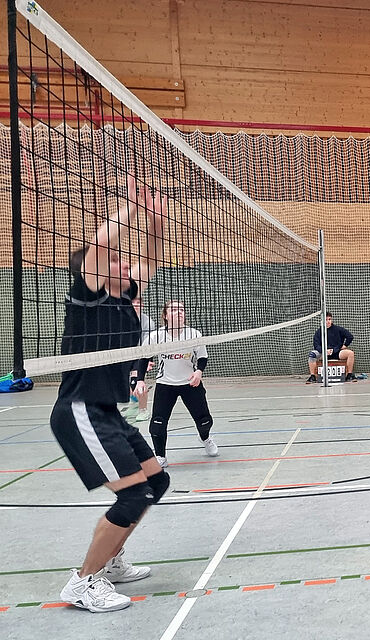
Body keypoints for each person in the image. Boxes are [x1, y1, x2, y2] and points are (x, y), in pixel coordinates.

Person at [51, 176, 168, 612]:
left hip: (107, 411)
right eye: (116, 260)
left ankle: (111, 560)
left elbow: (151, 259)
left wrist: (155, 223)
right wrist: (130, 206)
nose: (124, 264)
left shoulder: (126, 299)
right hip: (79, 410)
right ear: (95, 271)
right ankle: (83, 581)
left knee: (156, 482)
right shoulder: (88, 299)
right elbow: (100, 246)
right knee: (133, 495)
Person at [137, 300, 218, 468]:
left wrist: (198, 372)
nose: (179, 312)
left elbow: (202, 357)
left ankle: (205, 438)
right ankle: (160, 456)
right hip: (165, 384)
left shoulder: (194, 334)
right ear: (165, 315)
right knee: (157, 424)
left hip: (190, 383)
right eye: (173, 310)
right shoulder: (156, 336)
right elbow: (144, 358)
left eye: (181, 309)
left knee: (205, 421)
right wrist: (140, 380)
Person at [123, 293, 156, 422]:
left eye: (139, 303)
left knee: (136, 382)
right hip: (124, 355)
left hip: (140, 356)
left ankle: (143, 410)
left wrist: (149, 360)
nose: (136, 305)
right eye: (133, 303)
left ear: (142, 305)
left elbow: (149, 344)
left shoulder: (147, 322)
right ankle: (134, 405)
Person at [306, 312, 357, 383]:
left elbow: (350, 336)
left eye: (329, 319)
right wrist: (324, 351)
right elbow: (316, 345)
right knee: (312, 354)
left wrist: (344, 345)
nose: (328, 321)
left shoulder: (338, 329)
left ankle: (349, 375)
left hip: (337, 353)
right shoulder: (319, 332)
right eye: (326, 319)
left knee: (350, 353)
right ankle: (313, 376)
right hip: (323, 354)